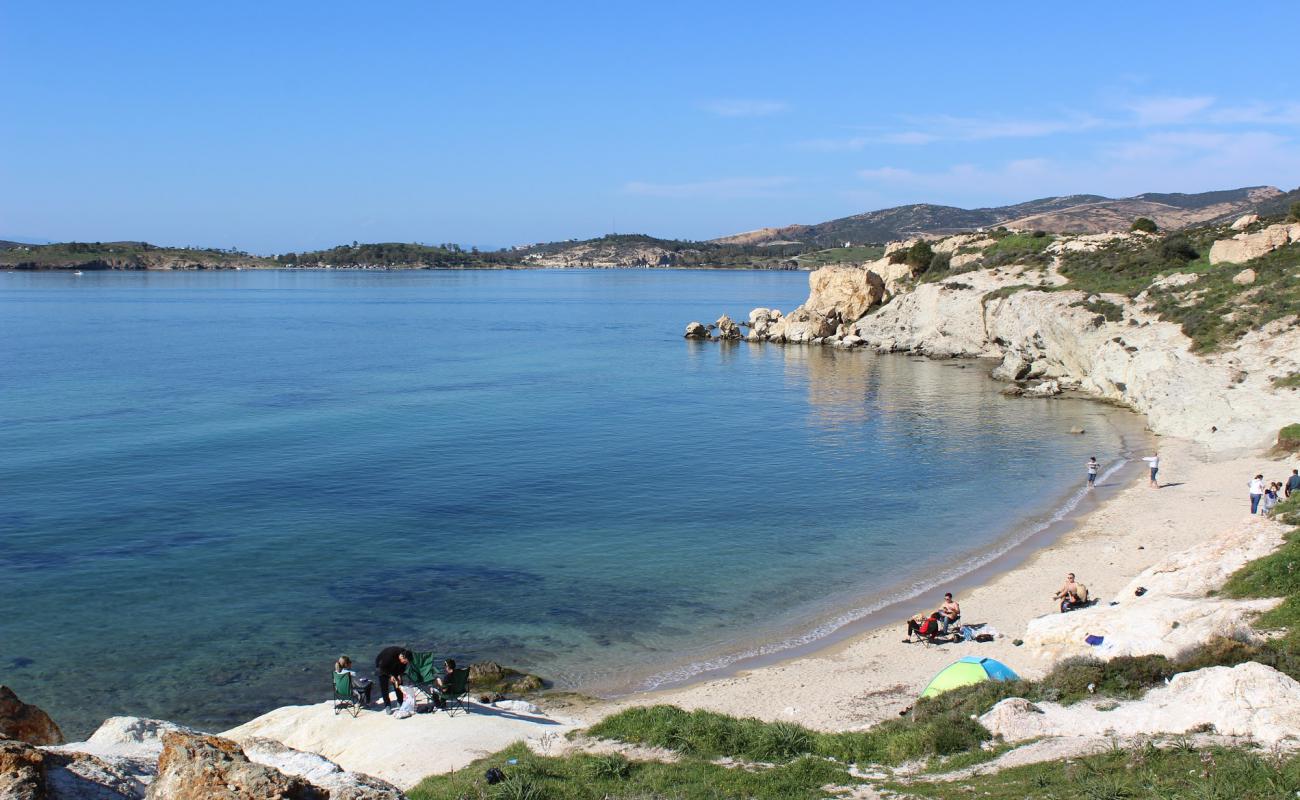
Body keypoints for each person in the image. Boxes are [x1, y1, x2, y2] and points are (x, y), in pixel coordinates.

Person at [374, 646, 413, 714]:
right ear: (402, 657)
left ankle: (400, 701)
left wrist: (399, 675)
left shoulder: (405, 655)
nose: (405, 663)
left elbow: (402, 667)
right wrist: (390, 676)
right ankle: (387, 705)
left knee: (398, 683)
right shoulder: (389, 655)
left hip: (394, 666)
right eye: (405, 661)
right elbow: (383, 667)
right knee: (384, 687)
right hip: (382, 665)